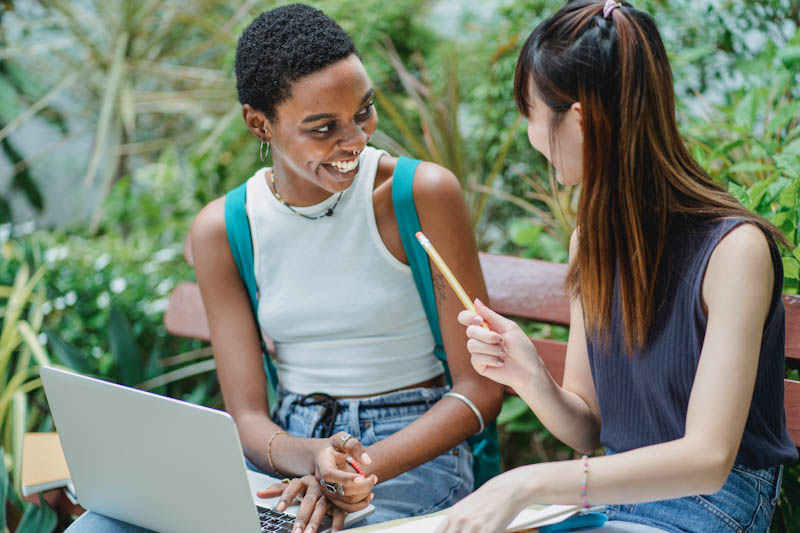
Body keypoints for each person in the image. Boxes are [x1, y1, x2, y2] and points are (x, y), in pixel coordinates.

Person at [436, 1, 798, 532]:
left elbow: (707, 460)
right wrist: (530, 375)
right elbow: (588, 428)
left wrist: (526, 482)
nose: (531, 133)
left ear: (580, 120)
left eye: (531, 112)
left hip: (707, 507)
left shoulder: (734, 250)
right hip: (610, 504)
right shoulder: (591, 243)